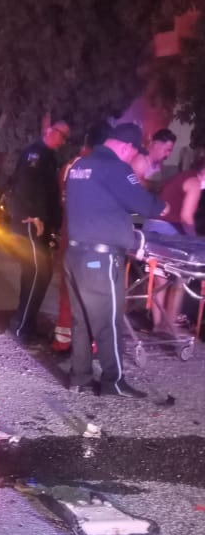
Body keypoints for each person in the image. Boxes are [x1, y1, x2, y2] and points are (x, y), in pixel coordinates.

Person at [64, 123, 168, 398]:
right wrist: (163, 206)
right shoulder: (116, 168)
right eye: (134, 153)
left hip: (74, 255)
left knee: (81, 320)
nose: (133, 158)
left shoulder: (79, 166)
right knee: (108, 321)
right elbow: (142, 204)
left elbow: (104, 205)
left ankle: (80, 378)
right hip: (100, 258)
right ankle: (114, 381)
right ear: (126, 147)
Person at [6, 120, 69, 343]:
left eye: (66, 138)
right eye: (62, 135)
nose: (63, 141)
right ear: (51, 131)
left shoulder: (48, 156)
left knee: (40, 274)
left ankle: (27, 323)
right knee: (35, 273)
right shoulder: (35, 154)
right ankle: (21, 326)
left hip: (41, 224)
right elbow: (24, 186)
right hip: (30, 223)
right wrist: (34, 216)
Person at [51, 121, 111, 352]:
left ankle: (63, 340)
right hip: (93, 241)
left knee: (68, 289)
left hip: (70, 235)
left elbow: (62, 198)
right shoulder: (101, 168)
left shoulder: (70, 165)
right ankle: (90, 343)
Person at [142, 155, 205, 330]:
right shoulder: (194, 183)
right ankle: (170, 326)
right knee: (180, 279)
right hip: (167, 232)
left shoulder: (182, 176)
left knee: (160, 281)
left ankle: (158, 327)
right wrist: (193, 241)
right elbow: (186, 217)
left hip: (151, 229)